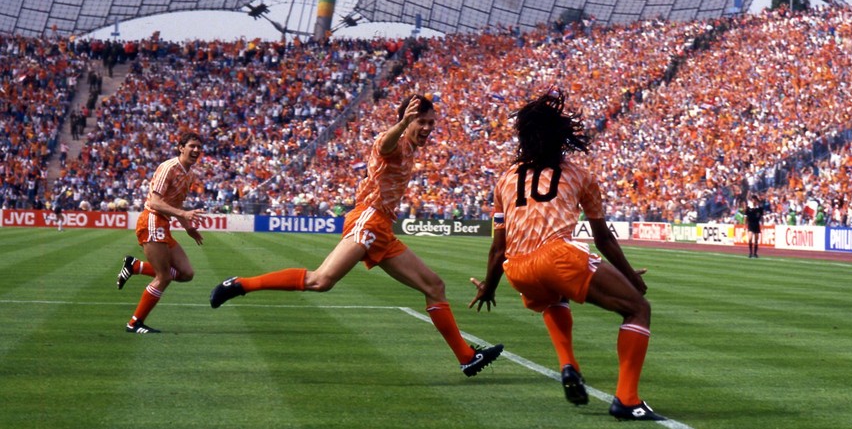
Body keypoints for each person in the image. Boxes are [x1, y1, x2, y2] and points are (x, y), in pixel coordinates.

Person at [209, 94, 503, 376]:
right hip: (369, 218)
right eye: (420, 122)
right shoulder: (395, 143)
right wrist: (401, 125)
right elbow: (385, 145)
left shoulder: (412, 148)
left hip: (382, 227)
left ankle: (466, 357)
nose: (426, 128)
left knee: (435, 286)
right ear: (406, 121)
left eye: (430, 123)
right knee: (321, 280)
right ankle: (240, 284)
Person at [468, 90, 665, 421]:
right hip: (559, 256)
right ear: (562, 136)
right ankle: (627, 401)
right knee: (637, 310)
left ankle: (568, 365)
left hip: (517, 268)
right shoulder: (578, 174)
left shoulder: (505, 179)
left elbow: (498, 247)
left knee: (553, 299)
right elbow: (602, 238)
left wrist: (489, 286)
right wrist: (631, 278)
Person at [116, 132, 205, 333]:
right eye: (192, 146)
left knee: (186, 273)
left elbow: (175, 204)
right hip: (152, 220)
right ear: (181, 147)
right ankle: (134, 323)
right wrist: (183, 213)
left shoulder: (189, 174)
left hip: (162, 223)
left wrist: (188, 227)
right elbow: (156, 202)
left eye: (199, 147)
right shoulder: (169, 168)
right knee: (163, 277)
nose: (196, 150)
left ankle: (135, 266)